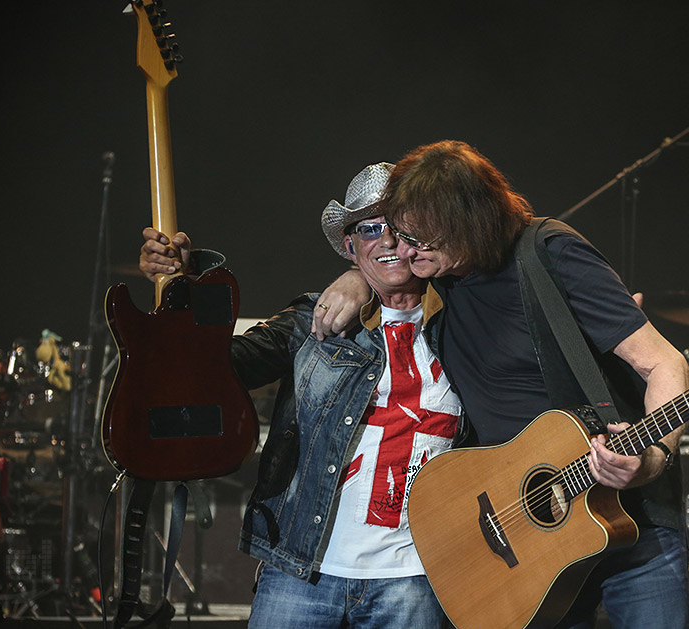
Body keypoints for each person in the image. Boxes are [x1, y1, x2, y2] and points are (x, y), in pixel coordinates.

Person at [318, 140, 689, 628]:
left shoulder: (549, 254)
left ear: (465, 226)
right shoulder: (438, 276)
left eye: (417, 239)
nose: (403, 251)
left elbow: (666, 365)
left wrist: (652, 458)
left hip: (629, 519)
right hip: (524, 534)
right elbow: (377, 263)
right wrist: (354, 277)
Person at [139, 163, 464, 629]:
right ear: (350, 246)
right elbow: (208, 369)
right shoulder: (312, 320)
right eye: (370, 229)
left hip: (419, 576)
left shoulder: (466, 320)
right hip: (303, 572)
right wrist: (185, 288)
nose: (388, 241)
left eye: (399, 225)